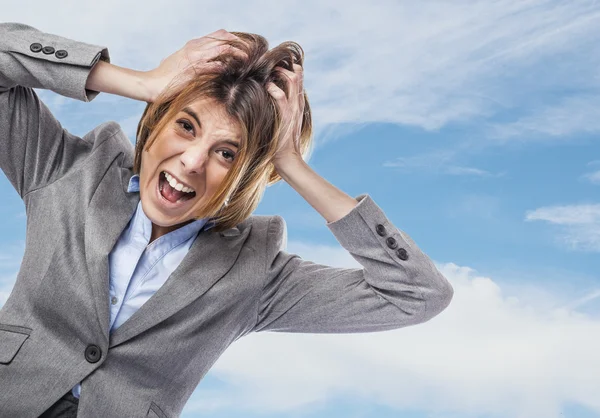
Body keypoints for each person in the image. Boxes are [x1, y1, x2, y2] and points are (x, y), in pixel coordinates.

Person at [0, 22, 454, 418]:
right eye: (186, 125)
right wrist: (144, 83)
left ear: (250, 173)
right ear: (156, 119)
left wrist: (288, 161)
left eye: (227, 152)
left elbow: (418, 295)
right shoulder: (67, 173)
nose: (192, 161)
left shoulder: (256, 275)